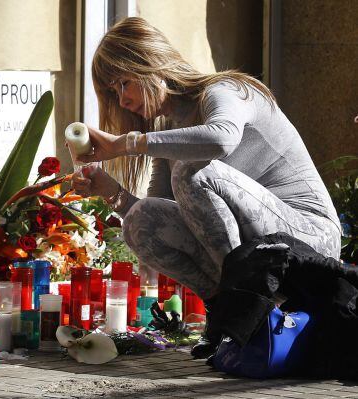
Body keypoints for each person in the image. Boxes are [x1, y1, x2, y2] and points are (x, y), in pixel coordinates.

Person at [71, 17, 342, 357]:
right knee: (140, 220)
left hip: (312, 239)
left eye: (125, 83)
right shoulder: (170, 130)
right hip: (260, 251)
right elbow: (161, 221)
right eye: (114, 92)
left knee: (190, 170)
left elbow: (222, 140)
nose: (122, 101)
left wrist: (128, 143)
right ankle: (225, 311)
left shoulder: (225, 90)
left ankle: (244, 309)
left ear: (151, 64)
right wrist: (111, 191)